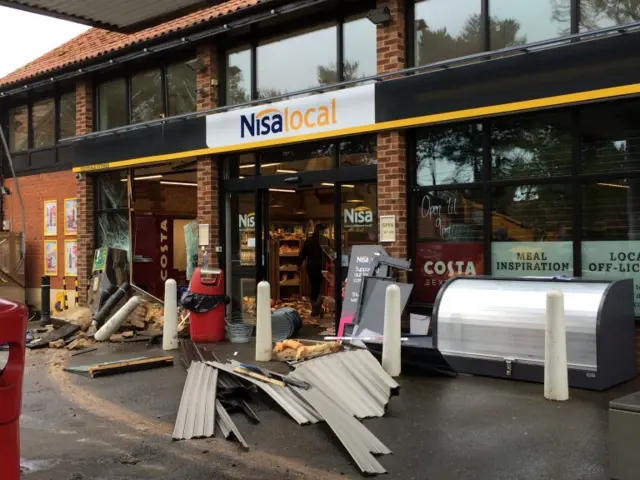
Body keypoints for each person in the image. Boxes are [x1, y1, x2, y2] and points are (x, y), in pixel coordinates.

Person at [298, 224, 325, 317]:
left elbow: (302, 254)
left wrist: (298, 264)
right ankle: (321, 304)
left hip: (311, 267)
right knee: (322, 286)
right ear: (321, 231)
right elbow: (330, 253)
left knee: (314, 286)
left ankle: (315, 307)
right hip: (323, 267)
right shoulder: (324, 240)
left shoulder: (308, 240)